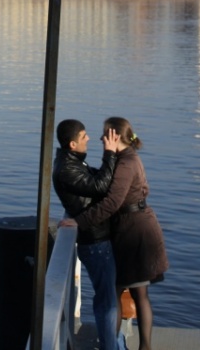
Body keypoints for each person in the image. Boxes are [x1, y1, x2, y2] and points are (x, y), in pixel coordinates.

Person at [61, 117, 169, 350]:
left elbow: (111, 202)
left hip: (135, 233)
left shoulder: (126, 163)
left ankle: (124, 345)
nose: (100, 138)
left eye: (104, 134)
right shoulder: (126, 158)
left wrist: (78, 221)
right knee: (130, 292)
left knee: (126, 292)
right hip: (132, 228)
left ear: (114, 136)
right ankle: (120, 344)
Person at [52, 119, 124, 350]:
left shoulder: (73, 162)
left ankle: (111, 342)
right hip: (95, 242)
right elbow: (100, 186)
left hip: (98, 239)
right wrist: (110, 153)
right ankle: (109, 346)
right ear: (73, 144)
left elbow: (97, 179)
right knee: (107, 301)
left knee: (108, 297)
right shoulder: (67, 169)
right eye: (84, 136)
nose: (89, 138)